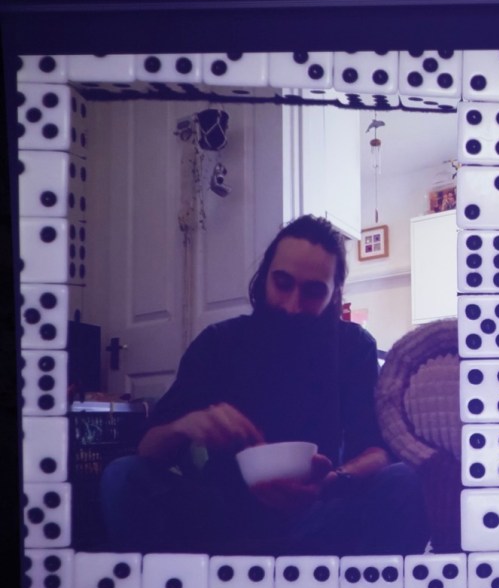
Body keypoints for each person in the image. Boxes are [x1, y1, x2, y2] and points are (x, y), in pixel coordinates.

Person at [102, 215, 430, 556]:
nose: (292, 305)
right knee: (123, 477)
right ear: (264, 278)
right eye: (283, 283)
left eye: (313, 291)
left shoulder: (353, 346)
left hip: (320, 511)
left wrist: (336, 479)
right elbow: (149, 450)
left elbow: (378, 450)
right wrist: (185, 426)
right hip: (223, 515)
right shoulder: (218, 343)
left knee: (406, 480)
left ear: (334, 293)